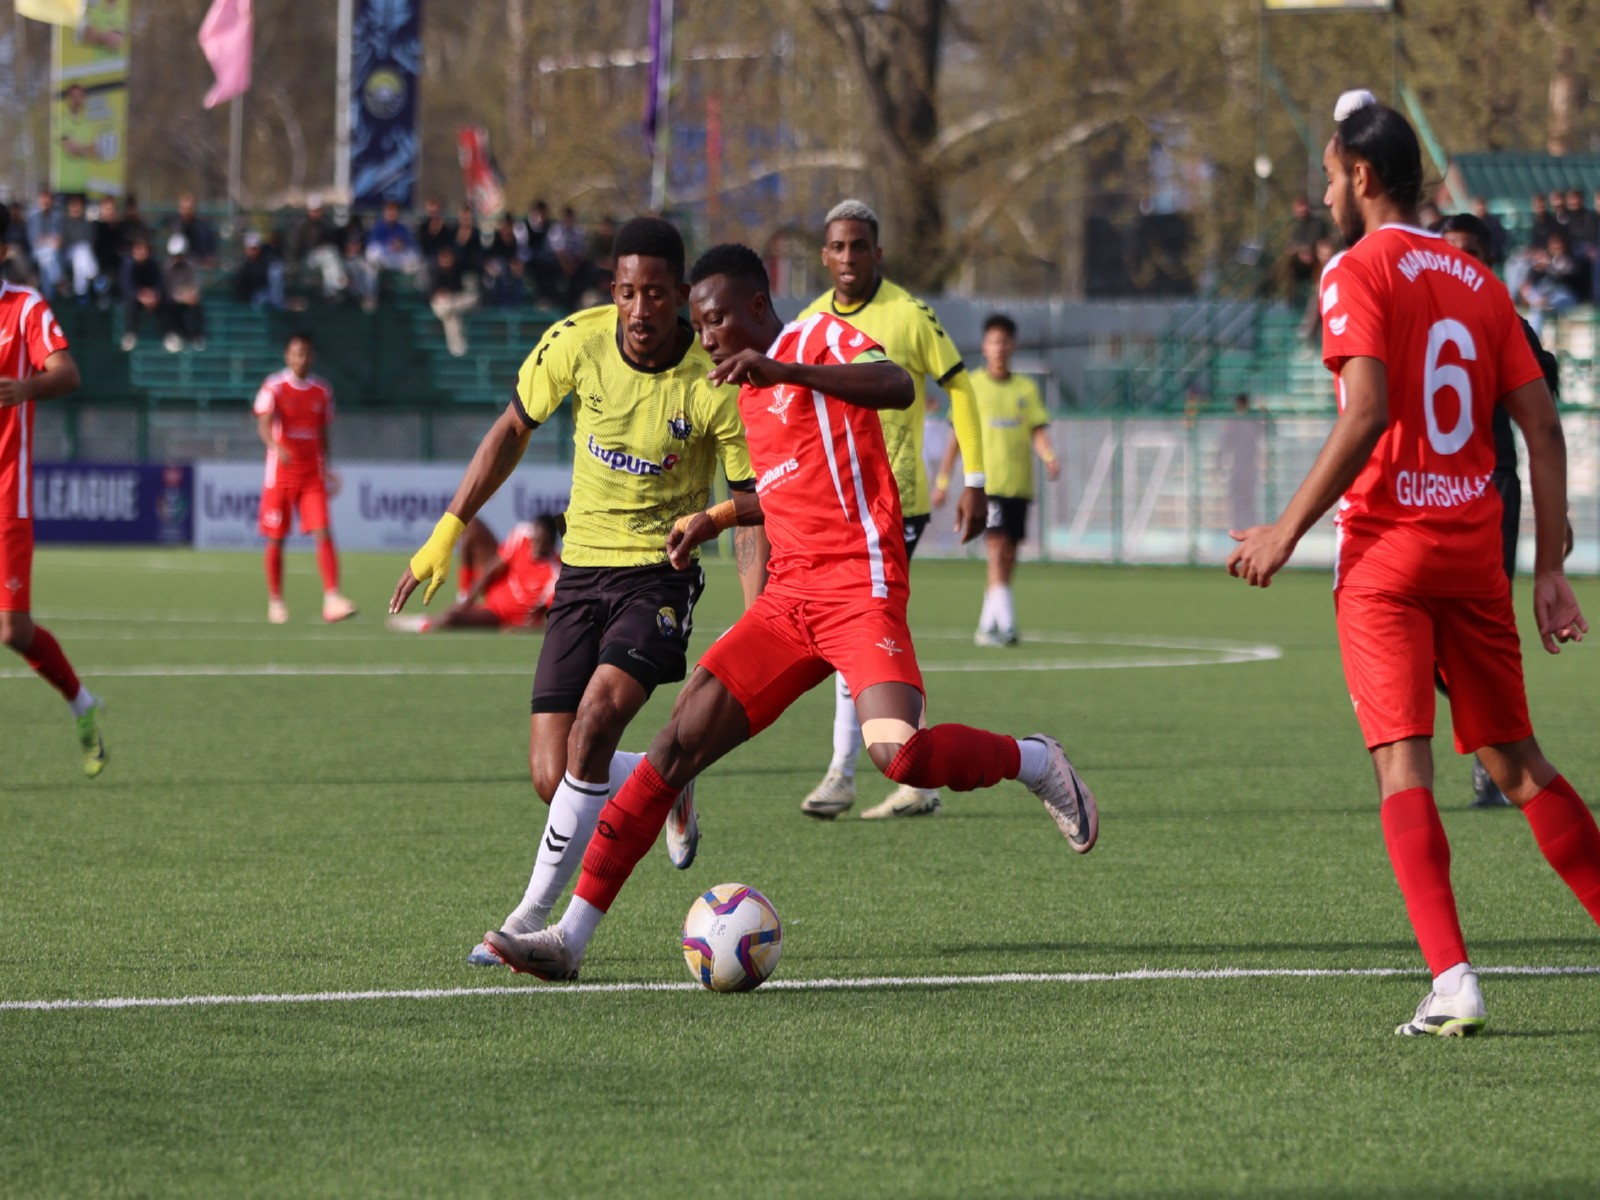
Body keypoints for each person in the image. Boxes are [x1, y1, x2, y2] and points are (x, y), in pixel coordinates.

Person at [480, 243, 1097, 980]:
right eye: (698, 325)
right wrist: (715, 517)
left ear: (756, 309)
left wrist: (789, 370)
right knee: (674, 748)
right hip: (788, 602)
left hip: (859, 589)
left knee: (898, 754)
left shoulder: (813, 338)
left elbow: (899, 384)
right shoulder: (739, 391)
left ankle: (1033, 760)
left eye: (713, 322)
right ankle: (569, 938)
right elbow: (781, 489)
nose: (703, 338)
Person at [1227, 92, 1599, 1037]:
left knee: (1405, 769)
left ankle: (1454, 978)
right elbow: (1543, 425)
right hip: (1475, 552)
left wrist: (1286, 529)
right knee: (1518, 767)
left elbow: (1366, 412)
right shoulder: (1477, 279)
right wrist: (1551, 564)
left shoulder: (1356, 269)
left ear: (1360, 176)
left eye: (1327, 173)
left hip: (1389, 556)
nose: (1324, 189)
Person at [388, 217, 761, 965]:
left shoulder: (715, 380)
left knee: (596, 723)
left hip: (659, 575)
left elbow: (751, 507)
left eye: (656, 294)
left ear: (682, 297)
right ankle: (669, 783)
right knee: (553, 775)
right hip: (581, 574)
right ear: (612, 292)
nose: (639, 309)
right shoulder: (577, 341)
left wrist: (759, 618)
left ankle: (531, 917)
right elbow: (512, 430)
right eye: (626, 292)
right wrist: (447, 530)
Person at [796, 198, 988, 821]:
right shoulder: (808, 323)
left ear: (878, 252)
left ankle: (842, 773)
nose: (849, 257)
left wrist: (974, 479)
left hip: (893, 503)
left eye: (860, 246)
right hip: (835, 508)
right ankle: (916, 773)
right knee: (878, 635)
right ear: (825, 255)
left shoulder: (907, 315)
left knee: (858, 630)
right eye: (838, 247)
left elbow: (959, 383)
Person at [1433, 212, 1568, 808]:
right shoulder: (1417, 321)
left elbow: (1543, 414)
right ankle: (1494, 741)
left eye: (1470, 253)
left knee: (1485, 632)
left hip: (1491, 489)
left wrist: (1552, 512)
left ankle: (1497, 756)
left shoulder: (1504, 324)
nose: (1459, 263)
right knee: (1430, 643)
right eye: (1448, 252)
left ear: (1487, 262)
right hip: (1422, 495)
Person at [0, 205, 108, 777]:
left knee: (12, 630)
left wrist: (25, 387)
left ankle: (82, 703)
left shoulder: (24, 307)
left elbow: (67, 373)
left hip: (6, 494)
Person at [931, 312, 1059, 647]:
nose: (998, 347)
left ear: (1012, 346)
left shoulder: (1026, 388)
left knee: (1009, 555)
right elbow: (956, 436)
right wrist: (943, 482)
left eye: (1004, 341)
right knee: (996, 549)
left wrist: (1049, 457)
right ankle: (1008, 624)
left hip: (1019, 484)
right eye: (992, 341)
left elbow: (1038, 431)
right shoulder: (971, 385)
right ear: (984, 347)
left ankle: (987, 625)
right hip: (986, 486)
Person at [253, 333, 357, 625]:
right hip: (281, 475)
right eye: (296, 353)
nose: (301, 358)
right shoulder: (273, 386)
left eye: (306, 353)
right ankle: (276, 601)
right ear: (287, 356)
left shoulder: (322, 390)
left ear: (312, 357)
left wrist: (326, 466)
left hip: (312, 475)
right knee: (276, 537)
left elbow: (323, 431)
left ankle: (333, 598)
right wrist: (275, 446)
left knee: (323, 531)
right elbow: (263, 425)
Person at [388, 513, 561, 633]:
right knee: (470, 525)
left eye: (542, 543)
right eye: (535, 540)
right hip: (496, 585)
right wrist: (466, 600)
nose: (535, 546)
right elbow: (490, 569)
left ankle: (421, 624)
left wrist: (523, 629)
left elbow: (554, 621)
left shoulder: (555, 574)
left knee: (451, 619)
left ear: (552, 543)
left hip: (499, 613)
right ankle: (462, 598)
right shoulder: (523, 535)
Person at [427, 244, 478, 357]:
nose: (446, 260)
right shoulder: (433, 270)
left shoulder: (458, 269)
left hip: (454, 302)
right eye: (443, 258)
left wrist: (448, 296)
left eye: (448, 257)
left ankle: (457, 350)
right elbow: (430, 293)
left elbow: (464, 292)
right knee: (446, 308)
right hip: (440, 304)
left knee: (455, 311)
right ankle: (458, 349)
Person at [118, 235, 163, 350]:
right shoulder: (128, 264)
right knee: (131, 302)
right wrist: (140, 296)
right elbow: (126, 287)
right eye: (138, 250)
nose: (140, 253)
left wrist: (153, 296)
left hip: (151, 299)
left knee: (167, 301)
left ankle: (169, 334)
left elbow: (158, 284)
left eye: (143, 250)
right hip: (136, 299)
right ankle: (130, 335)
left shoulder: (153, 265)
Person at [160, 234, 204, 352]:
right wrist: (180, 297)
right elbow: (167, 289)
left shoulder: (192, 266)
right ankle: (172, 334)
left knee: (196, 307)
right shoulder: (166, 267)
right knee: (168, 306)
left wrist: (190, 295)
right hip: (174, 300)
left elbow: (196, 285)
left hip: (189, 299)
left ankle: (197, 336)